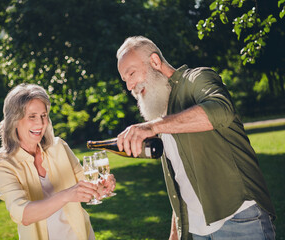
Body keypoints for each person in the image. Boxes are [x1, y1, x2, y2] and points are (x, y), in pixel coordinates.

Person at [115, 36, 276, 240]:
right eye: (125, 80)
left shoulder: (198, 78)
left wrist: (152, 126)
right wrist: (175, 233)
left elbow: (221, 111)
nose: (129, 86)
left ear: (155, 62)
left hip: (240, 218)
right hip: (197, 230)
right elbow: (182, 177)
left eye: (131, 73)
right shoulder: (161, 109)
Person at [0, 83, 116, 240]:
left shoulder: (59, 147)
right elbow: (23, 214)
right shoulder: (3, 167)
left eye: (43, 115)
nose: (40, 123)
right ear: (14, 120)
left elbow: (85, 186)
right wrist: (66, 196)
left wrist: (101, 187)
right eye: (32, 116)